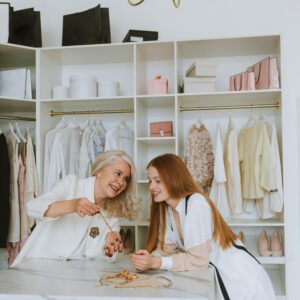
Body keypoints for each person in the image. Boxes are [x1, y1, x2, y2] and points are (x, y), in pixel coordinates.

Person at [130, 153, 276, 300]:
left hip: (241, 278)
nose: (151, 187)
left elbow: (198, 260)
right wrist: (148, 260)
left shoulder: (196, 204)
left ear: (173, 177)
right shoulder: (168, 210)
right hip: (218, 277)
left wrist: (156, 262)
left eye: (157, 181)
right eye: (149, 181)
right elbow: (168, 250)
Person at [11, 150, 138, 267]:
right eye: (118, 174)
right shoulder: (71, 185)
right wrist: (73, 205)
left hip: (74, 275)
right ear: (100, 171)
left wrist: (110, 249)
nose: (121, 183)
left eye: (126, 179)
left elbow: (108, 257)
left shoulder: (112, 212)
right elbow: (33, 207)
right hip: (39, 266)